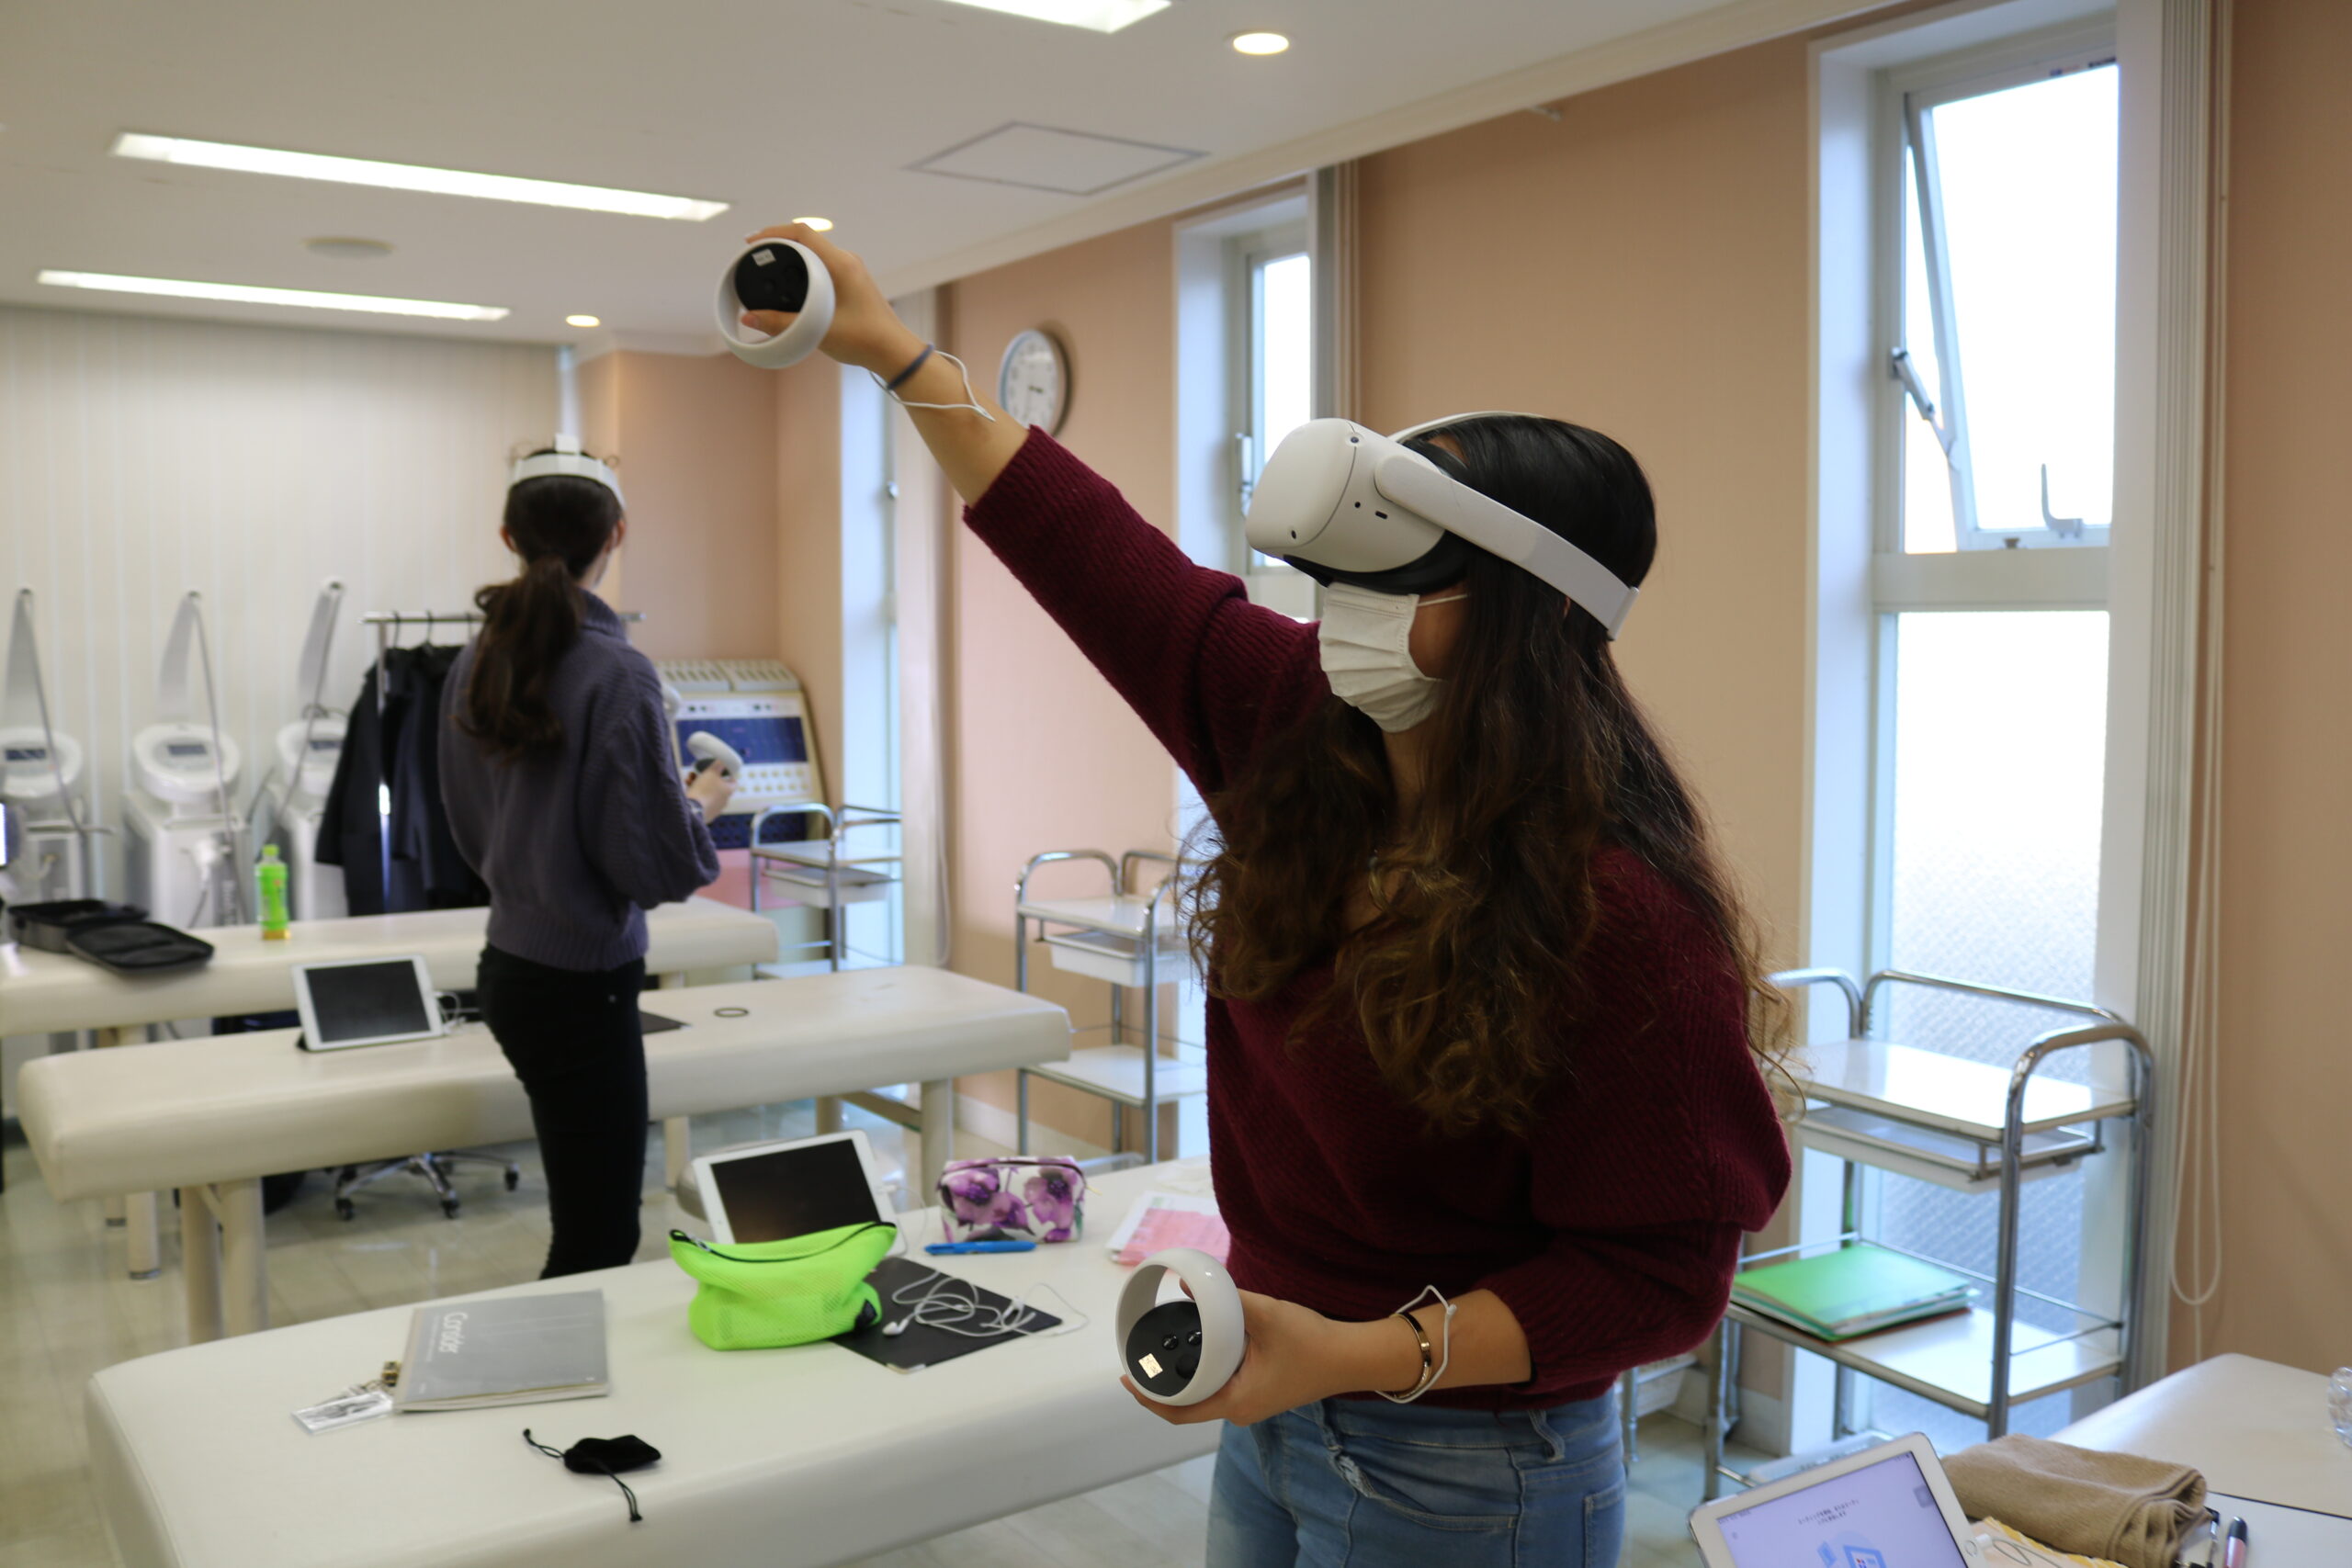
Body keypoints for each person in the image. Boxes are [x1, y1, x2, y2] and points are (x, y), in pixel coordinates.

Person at [744, 223, 1791, 1567]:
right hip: (1276, 1395)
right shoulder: (1299, 731)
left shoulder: (1621, 918)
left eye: (1392, 582)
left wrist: (1350, 1351)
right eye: (1335, 578)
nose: (1340, 609)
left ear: (1526, 615)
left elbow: (1655, 1281)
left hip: (1474, 1460)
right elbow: (1088, 551)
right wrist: (893, 352)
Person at [440, 445, 733, 1277]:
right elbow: (658, 870)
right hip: (583, 985)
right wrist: (700, 809)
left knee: (588, 1225)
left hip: (510, 968)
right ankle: (545, 1364)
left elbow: (471, 823)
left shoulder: (475, 661)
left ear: (508, 536)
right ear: (617, 535)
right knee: (599, 1237)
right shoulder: (618, 672)